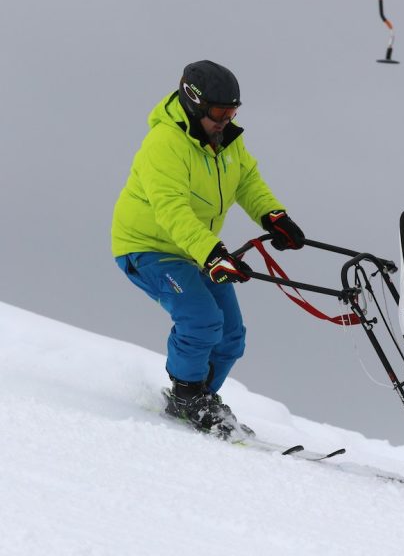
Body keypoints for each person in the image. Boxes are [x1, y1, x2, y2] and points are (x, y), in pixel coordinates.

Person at [111, 60, 306, 438]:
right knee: (201, 319)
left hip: (195, 247)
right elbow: (171, 210)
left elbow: (246, 180)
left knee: (231, 335)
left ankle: (200, 399)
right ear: (194, 104)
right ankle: (186, 397)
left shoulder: (225, 140)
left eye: (233, 111)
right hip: (148, 247)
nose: (226, 120)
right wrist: (213, 254)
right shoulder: (164, 144)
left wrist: (273, 216)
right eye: (219, 112)